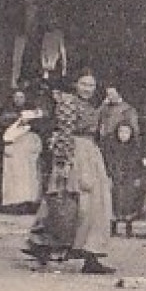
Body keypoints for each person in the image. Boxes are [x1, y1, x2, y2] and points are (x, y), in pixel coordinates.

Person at [24, 72, 116, 274]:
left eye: (91, 85)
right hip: (75, 153)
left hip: (90, 153)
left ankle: (90, 254)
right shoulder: (68, 103)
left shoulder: (91, 106)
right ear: (76, 85)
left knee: (93, 204)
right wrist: (64, 162)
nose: (88, 89)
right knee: (69, 201)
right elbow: (65, 133)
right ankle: (44, 244)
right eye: (84, 84)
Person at [0, 89, 43, 213]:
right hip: (14, 145)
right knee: (14, 174)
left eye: (21, 97)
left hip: (28, 144)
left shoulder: (34, 113)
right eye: (16, 97)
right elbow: (2, 123)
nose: (18, 99)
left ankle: (30, 201)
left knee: (29, 175)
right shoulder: (7, 113)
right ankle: (14, 203)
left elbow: (38, 125)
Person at [103, 121, 146, 238]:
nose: (123, 134)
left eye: (126, 132)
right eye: (121, 131)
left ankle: (128, 227)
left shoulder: (135, 148)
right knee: (114, 200)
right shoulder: (111, 148)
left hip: (129, 179)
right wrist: (109, 175)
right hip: (116, 177)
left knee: (129, 202)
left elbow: (139, 165)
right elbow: (108, 163)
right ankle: (113, 227)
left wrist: (138, 177)